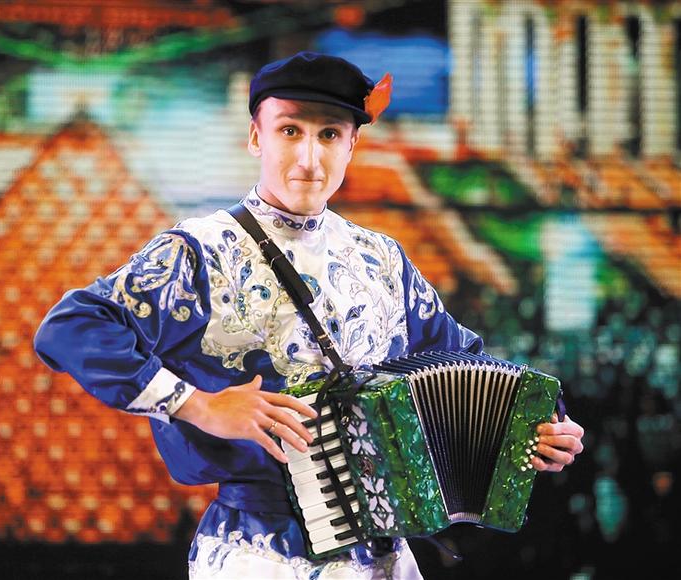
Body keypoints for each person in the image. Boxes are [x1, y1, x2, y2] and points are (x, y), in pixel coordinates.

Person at [34, 51, 584, 579]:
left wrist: (542, 425)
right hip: (257, 554)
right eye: (290, 131)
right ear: (256, 137)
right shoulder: (201, 251)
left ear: (352, 145)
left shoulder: (382, 259)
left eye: (329, 135)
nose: (309, 158)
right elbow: (71, 327)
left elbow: (465, 361)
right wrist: (197, 405)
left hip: (388, 558)